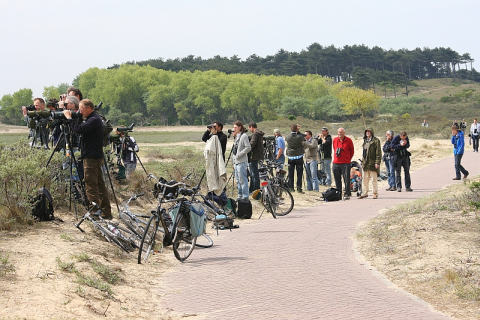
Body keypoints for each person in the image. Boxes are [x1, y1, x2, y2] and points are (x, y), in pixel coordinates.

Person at [63, 99, 112, 219]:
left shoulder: (94, 120)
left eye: (81, 109)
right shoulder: (93, 118)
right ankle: (105, 211)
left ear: (89, 108)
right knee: (100, 185)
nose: (80, 112)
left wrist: (70, 119)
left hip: (91, 157)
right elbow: (81, 127)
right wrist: (77, 117)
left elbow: (79, 129)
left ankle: (94, 213)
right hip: (95, 156)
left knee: (91, 186)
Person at [358, 128, 382, 199]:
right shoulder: (365, 141)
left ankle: (375, 193)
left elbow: (378, 153)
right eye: (366, 132)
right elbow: (364, 153)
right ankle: (365, 193)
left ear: (372, 132)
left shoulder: (376, 141)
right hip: (365, 163)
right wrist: (362, 163)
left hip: (372, 162)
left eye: (369, 132)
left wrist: (377, 162)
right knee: (365, 180)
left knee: (373, 180)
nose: (367, 133)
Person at [332, 127, 354, 199]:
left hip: (345, 163)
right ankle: (339, 193)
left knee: (346, 178)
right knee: (337, 178)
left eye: (341, 132)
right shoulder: (335, 140)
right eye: (339, 132)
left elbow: (352, 151)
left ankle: (347, 193)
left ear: (344, 133)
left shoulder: (349, 140)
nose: (340, 133)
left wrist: (347, 158)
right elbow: (334, 149)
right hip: (336, 162)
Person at [232, 121, 251, 200]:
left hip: (242, 161)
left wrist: (240, 154)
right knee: (238, 181)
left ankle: (245, 196)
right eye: (234, 127)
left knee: (243, 180)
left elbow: (248, 147)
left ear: (240, 127)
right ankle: (240, 195)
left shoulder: (244, 136)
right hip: (236, 162)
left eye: (235, 127)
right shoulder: (237, 136)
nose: (234, 129)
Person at [285, 124, 306, 193]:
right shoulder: (299, 137)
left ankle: (291, 188)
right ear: (296, 129)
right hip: (298, 156)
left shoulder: (287, 136)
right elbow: (304, 137)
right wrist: (298, 131)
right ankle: (299, 188)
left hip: (290, 156)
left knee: (291, 173)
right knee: (299, 173)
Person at [248, 122, 264, 193]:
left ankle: (256, 190)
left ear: (251, 127)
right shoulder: (259, 134)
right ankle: (252, 189)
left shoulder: (255, 134)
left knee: (254, 174)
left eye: (249, 128)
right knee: (254, 173)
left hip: (254, 156)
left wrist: (247, 148)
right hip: (258, 155)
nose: (249, 130)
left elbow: (252, 144)